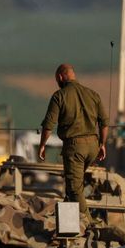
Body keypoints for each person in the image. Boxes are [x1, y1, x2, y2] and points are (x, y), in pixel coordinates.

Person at [38, 63, 108, 220]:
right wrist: (102, 144)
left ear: (61, 77)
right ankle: (66, 220)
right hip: (93, 146)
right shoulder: (93, 94)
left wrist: (42, 145)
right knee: (74, 186)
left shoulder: (59, 96)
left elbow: (49, 125)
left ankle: (90, 225)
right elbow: (104, 123)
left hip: (75, 148)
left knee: (74, 188)